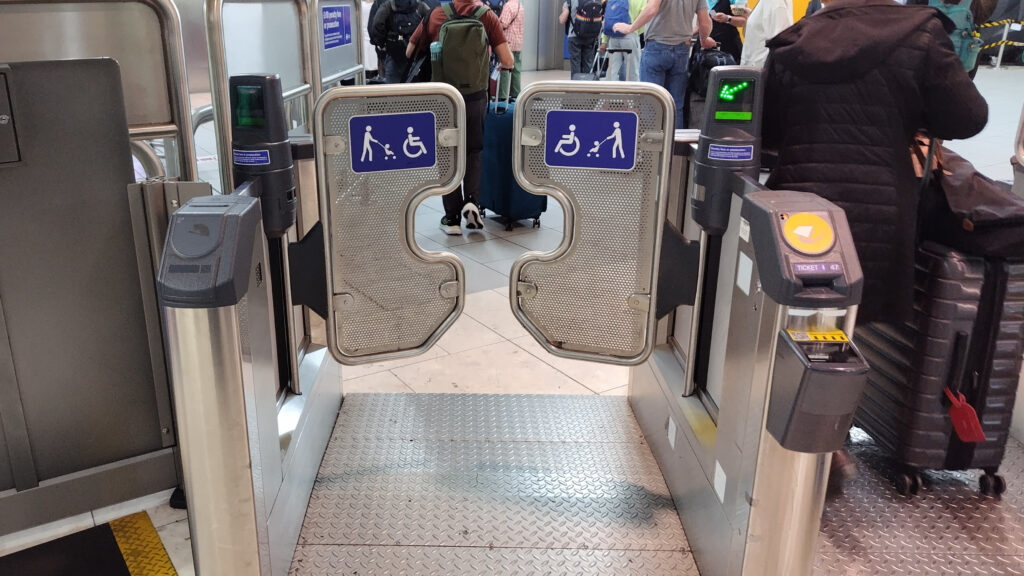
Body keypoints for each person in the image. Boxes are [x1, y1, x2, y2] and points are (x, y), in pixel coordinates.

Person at [761, 0, 987, 487]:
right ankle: (830, 438)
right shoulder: (922, 35)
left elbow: (767, 132)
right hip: (878, 210)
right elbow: (968, 118)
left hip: (799, 209)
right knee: (847, 324)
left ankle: (800, 438)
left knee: (799, 319)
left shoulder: (794, 43)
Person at [407, 0, 515, 235]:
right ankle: (472, 202)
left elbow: (409, 51)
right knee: (474, 150)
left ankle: (452, 218)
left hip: (444, 98)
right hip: (475, 97)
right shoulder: (486, 16)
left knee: (447, 154)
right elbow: (508, 61)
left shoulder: (436, 14)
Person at [614, 0, 717, 129]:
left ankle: (651, 146)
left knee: (651, 103)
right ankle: (676, 146)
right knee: (675, 106)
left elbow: (651, 9)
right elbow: (704, 20)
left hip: (656, 47)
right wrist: (704, 39)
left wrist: (630, 28)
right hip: (682, 50)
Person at [370, 0, 433, 83]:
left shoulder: (389, 6)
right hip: (415, 55)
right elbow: (430, 21)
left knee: (392, 89)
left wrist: (382, 44)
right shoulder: (420, 6)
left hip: (394, 54)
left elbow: (377, 24)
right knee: (416, 86)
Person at [600, 0, 647, 81]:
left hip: (613, 36)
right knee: (633, 70)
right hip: (630, 35)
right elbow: (645, 15)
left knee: (612, 70)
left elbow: (607, 19)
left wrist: (604, 40)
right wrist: (638, 31)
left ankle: (610, 91)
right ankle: (632, 92)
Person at [739, 0, 792, 69]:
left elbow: (779, 43)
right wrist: (753, 16)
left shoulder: (775, 2)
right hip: (754, 68)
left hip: (761, 70)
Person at [560, 0, 604, 76]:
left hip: (574, 36)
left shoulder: (570, 1)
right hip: (591, 36)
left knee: (575, 64)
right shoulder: (596, 0)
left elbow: (562, 20)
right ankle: (586, 84)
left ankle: (576, 85)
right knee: (588, 64)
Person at [498, 0, 525, 97]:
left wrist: (494, 25)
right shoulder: (520, 5)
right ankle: (515, 95)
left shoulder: (508, 6)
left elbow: (504, 24)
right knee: (516, 70)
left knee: (504, 68)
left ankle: (502, 96)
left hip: (508, 43)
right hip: (518, 43)